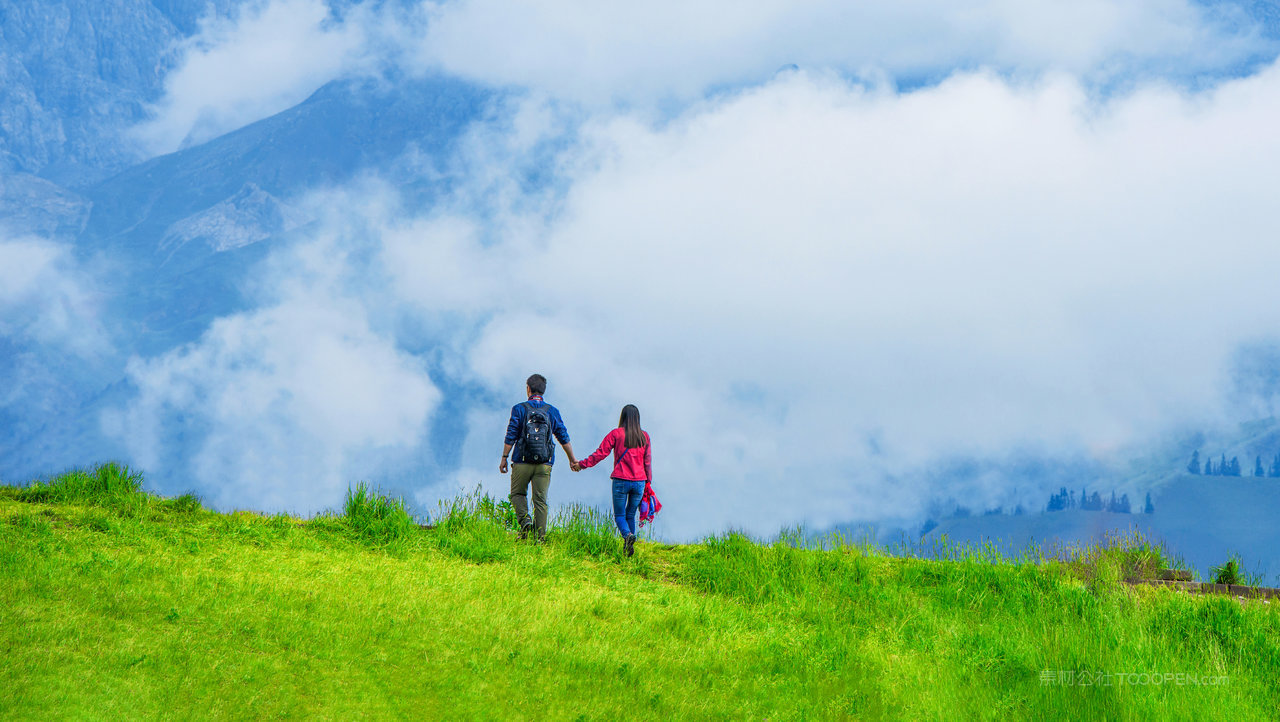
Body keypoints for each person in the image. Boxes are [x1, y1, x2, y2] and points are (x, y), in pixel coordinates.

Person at [501, 373, 578, 541]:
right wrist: (572, 459)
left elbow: (511, 434)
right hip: (544, 463)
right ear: (544, 391)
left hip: (521, 461)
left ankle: (526, 522)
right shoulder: (552, 411)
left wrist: (504, 457)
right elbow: (563, 436)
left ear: (528, 389)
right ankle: (540, 538)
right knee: (540, 501)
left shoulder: (519, 408)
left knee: (517, 494)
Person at [575, 404, 651, 557]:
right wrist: (648, 482)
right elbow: (647, 461)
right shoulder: (645, 436)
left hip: (621, 480)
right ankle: (628, 548)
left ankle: (627, 536)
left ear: (623, 417)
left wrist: (582, 464)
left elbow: (600, 454)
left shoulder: (616, 434)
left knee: (620, 516)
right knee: (630, 515)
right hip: (639, 482)